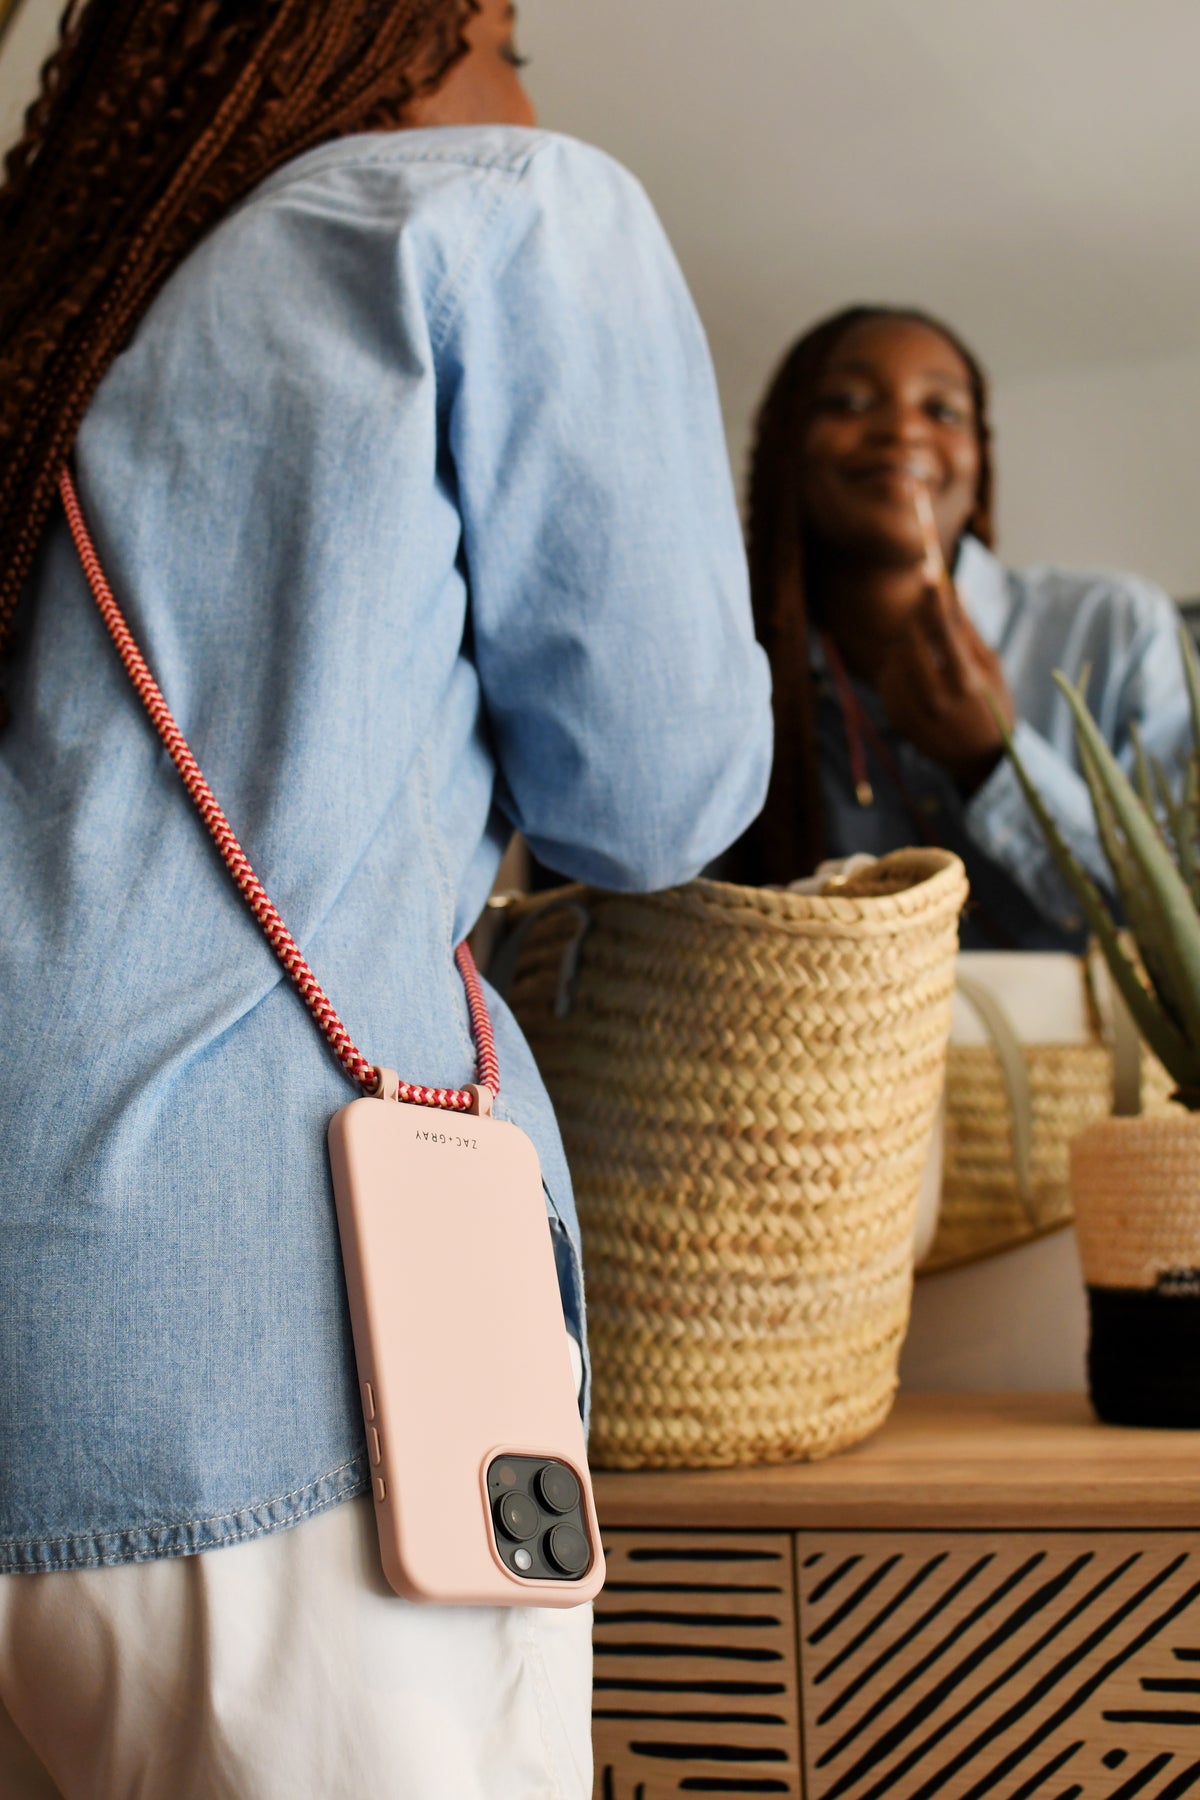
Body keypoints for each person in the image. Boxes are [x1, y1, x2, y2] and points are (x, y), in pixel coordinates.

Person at [0, 2, 772, 1793]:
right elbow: (657, 796)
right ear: (405, 36)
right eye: (510, 35)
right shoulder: (501, 209)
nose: (517, 87)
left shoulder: (62, 316)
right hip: (274, 1363)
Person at [736, 304, 1190, 949]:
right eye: (847, 401)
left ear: (980, 468)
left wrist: (995, 763)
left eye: (942, 410)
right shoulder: (739, 682)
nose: (900, 429)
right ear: (787, 453)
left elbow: (1183, 917)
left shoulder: (1117, 629)